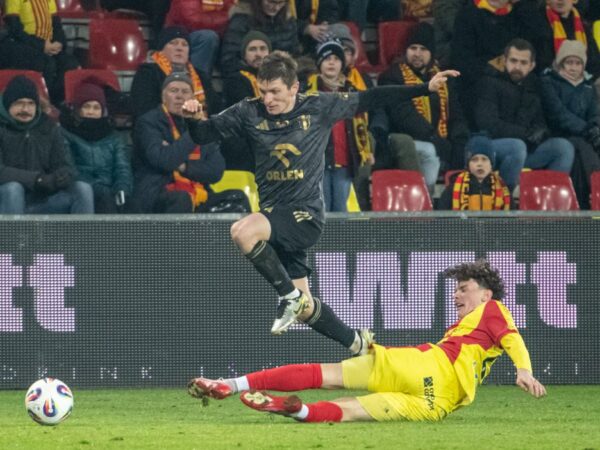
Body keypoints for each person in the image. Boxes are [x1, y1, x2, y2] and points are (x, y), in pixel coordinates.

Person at [181, 50, 457, 353]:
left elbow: (372, 98)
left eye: (275, 92)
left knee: (241, 232)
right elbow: (204, 135)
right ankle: (358, 344)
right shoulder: (248, 111)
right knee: (307, 308)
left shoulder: (318, 106)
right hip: (274, 219)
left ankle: (288, 298)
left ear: (294, 87)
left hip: (305, 216)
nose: (268, 99)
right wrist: (193, 118)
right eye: (263, 91)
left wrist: (424, 88)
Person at [188, 259, 546, 423]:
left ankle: (230, 384)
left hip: (426, 365)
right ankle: (296, 410)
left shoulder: (493, 308)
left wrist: (524, 370)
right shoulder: (473, 328)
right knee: (351, 410)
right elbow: (507, 340)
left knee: (325, 374)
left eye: (463, 288)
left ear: (486, 294)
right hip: (438, 404)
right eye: (456, 289)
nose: (456, 295)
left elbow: (513, 339)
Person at [473, 38, 575, 193]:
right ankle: (504, 200)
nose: (517, 67)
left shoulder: (534, 86)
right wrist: (525, 134)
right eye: (513, 61)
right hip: (491, 150)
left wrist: (540, 133)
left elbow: (540, 121)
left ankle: (548, 201)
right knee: (516, 146)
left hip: (523, 150)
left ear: (531, 66)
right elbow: (487, 123)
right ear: (504, 60)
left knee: (563, 147)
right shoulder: (489, 82)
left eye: (523, 63)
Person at [378, 22, 469, 189]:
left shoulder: (442, 78)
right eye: (413, 48)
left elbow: (455, 112)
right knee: (429, 151)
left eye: (423, 49)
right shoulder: (391, 77)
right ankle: (426, 199)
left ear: (431, 53)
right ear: (406, 51)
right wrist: (434, 138)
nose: (417, 54)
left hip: (437, 140)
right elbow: (404, 115)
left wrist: (458, 138)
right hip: (403, 141)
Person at [0, 75, 94, 214]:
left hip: (41, 201)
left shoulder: (49, 127)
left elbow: (65, 165)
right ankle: (13, 229)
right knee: (13, 189)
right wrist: (36, 179)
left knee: (82, 189)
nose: (25, 109)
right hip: (6, 201)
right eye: (19, 103)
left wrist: (61, 177)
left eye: (31, 104)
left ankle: (84, 229)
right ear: (8, 104)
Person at [132, 73, 225, 213]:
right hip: (158, 192)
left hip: (198, 192)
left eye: (185, 91)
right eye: (173, 91)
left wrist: (183, 167)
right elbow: (164, 161)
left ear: (193, 98)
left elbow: (216, 171)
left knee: (237, 197)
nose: (179, 96)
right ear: (163, 97)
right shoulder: (149, 122)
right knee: (182, 199)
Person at [305, 39, 374, 212]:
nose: (332, 63)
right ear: (319, 64)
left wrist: (365, 150)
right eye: (327, 59)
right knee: (322, 209)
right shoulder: (306, 92)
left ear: (342, 64)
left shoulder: (352, 91)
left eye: (336, 59)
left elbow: (361, 124)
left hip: (344, 162)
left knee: (340, 210)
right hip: (317, 163)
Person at [540, 40, 600, 209]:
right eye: (569, 62)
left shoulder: (588, 86)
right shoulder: (549, 82)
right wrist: (588, 130)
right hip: (558, 135)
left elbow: (595, 113)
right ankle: (589, 203)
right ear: (561, 63)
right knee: (583, 151)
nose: (573, 68)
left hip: (584, 135)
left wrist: (595, 128)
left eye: (578, 63)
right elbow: (558, 114)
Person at [60, 81, 134, 214]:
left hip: (110, 189)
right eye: (86, 107)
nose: (91, 112)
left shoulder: (114, 136)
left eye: (96, 108)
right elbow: (69, 169)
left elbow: (122, 168)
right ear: (78, 109)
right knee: (104, 199)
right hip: (80, 189)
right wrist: (98, 187)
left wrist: (122, 189)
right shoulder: (65, 134)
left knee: (133, 204)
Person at [130, 26, 220, 119]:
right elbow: (145, 111)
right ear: (161, 50)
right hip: (162, 126)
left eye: (184, 45)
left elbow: (215, 108)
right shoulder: (148, 73)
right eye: (173, 43)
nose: (179, 48)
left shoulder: (200, 75)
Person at [0, 0, 79, 103]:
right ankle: (42, 103)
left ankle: (55, 103)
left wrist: (59, 42)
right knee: (47, 63)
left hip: (49, 45)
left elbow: (56, 25)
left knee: (70, 64)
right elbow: (14, 29)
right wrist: (41, 45)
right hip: (24, 44)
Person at [219, 0, 300, 77]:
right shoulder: (241, 20)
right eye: (271, 1)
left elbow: (295, 54)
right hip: (247, 76)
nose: (276, 7)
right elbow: (229, 59)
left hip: (282, 75)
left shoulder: (288, 21)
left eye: (281, 2)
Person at [438, 136, 511, 210]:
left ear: (491, 164)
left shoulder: (503, 190)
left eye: (484, 159)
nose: (480, 164)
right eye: (474, 160)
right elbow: (442, 214)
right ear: (468, 165)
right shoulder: (452, 189)